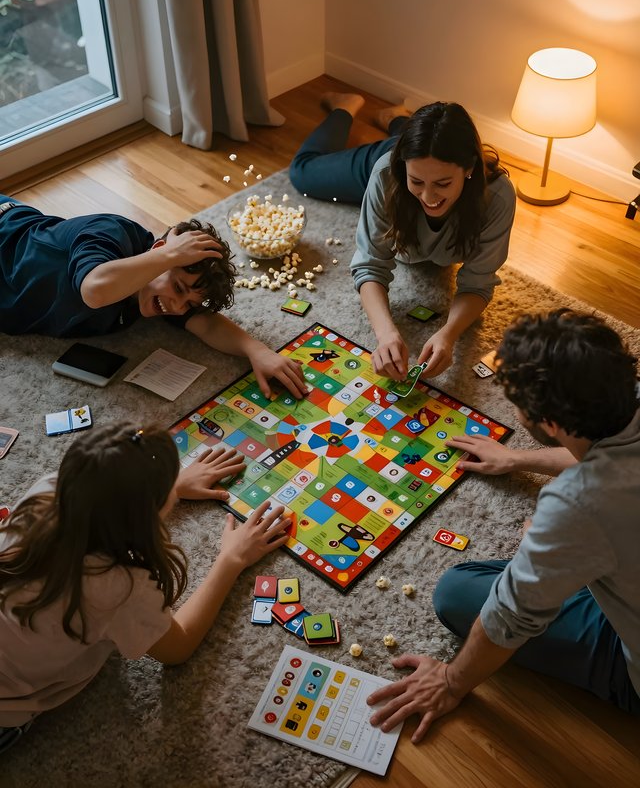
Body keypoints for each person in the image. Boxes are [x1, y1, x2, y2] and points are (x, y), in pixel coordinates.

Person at [366, 309, 640, 742]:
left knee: (458, 592)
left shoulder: (575, 505)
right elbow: (610, 449)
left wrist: (451, 681)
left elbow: (510, 617)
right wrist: (517, 459)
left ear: (549, 424)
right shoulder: (626, 401)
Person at [0, 423, 291, 753]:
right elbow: (176, 649)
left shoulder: (46, 490)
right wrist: (231, 560)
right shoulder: (119, 585)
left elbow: (105, 510)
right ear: (149, 512)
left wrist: (172, 488)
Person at [289, 93, 516, 380]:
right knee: (302, 173)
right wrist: (385, 334)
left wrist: (448, 335)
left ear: (469, 168)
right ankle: (345, 108)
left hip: (409, 161)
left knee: (419, 163)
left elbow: (479, 283)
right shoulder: (387, 173)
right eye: (417, 182)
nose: (429, 197)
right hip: (386, 158)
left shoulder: (497, 197)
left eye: (443, 184)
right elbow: (370, 264)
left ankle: (397, 119)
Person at [0, 198, 306, 399]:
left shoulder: (161, 293)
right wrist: (170, 254)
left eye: (187, 303)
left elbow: (207, 324)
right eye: (178, 288)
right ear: (158, 249)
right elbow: (94, 291)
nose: (176, 307)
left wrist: (258, 351)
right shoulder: (112, 232)